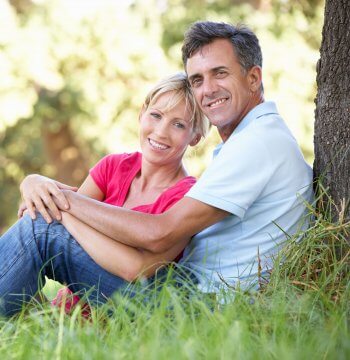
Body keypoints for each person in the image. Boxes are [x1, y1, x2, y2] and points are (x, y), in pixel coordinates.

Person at [0, 72, 209, 316]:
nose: (162, 132)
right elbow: (59, 223)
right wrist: (33, 181)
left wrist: (63, 213)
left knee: (40, 228)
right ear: (142, 114)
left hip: (139, 303)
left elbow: (136, 269)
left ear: (195, 136)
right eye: (156, 115)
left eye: (178, 124)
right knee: (39, 221)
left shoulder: (187, 197)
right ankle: (33, 318)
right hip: (76, 308)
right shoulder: (114, 167)